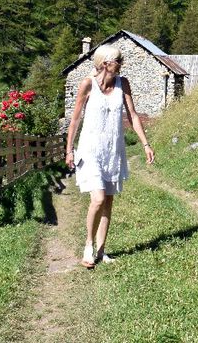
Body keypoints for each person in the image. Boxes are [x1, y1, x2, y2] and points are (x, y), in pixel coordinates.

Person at [65, 44, 155, 268]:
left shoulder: (122, 83)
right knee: (98, 199)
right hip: (91, 150)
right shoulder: (87, 84)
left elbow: (133, 116)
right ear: (105, 63)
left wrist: (145, 144)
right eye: (118, 61)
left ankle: (102, 250)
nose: (122, 65)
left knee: (108, 201)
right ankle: (88, 247)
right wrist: (69, 150)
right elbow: (75, 120)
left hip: (113, 151)